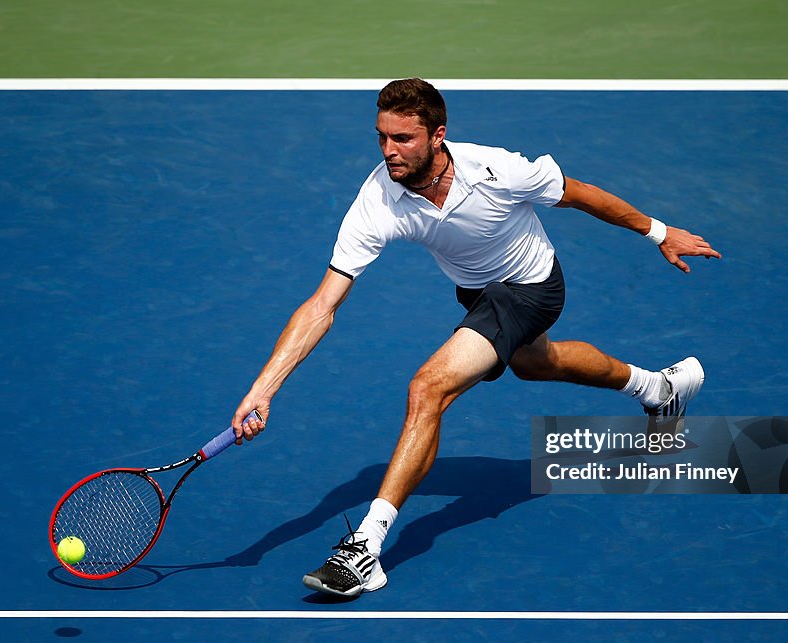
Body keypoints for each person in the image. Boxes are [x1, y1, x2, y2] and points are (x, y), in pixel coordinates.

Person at [232, 78, 721, 598]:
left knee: (428, 389)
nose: (389, 151)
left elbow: (579, 195)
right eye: (382, 137)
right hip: (480, 297)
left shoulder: (496, 169)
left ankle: (365, 550)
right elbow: (321, 305)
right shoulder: (378, 198)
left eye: (403, 139)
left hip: (532, 288)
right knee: (538, 362)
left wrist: (659, 232)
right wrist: (263, 389)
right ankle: (660, 390)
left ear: (437, 135)